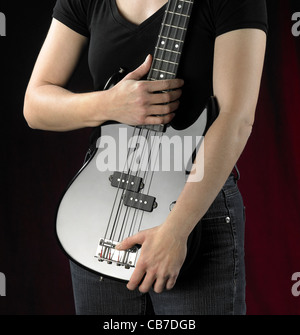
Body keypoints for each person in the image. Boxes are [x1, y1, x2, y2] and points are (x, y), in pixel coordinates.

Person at [23, 0, 267, 315]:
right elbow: (35, 105)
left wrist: (177, 230)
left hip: (193, 209)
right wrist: (109, 105)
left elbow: (236, 119)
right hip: (100, 210)